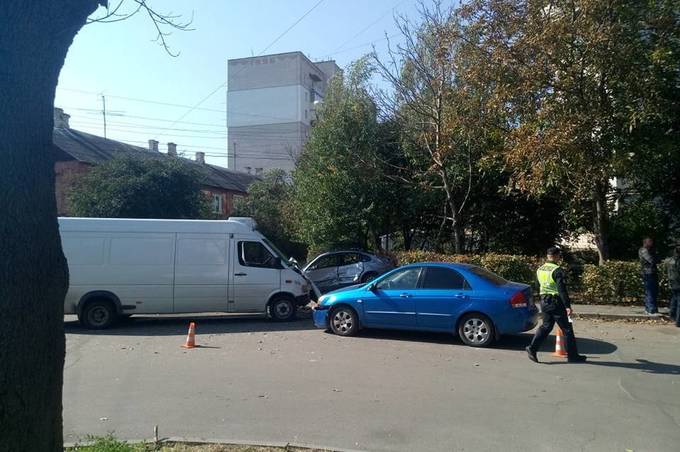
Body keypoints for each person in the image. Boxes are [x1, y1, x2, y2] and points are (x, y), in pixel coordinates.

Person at [526, 247, 587, 363]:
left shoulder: (540, 269)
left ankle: (532, 348)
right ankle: (573, 356)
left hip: (544, 301)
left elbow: (537, 286)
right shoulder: (557, 270)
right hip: (556, 302)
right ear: (555, 256)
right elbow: (561, 290)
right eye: (559, 255)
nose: (560, 257)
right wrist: (567, 306)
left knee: (546, 326)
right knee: (567, 329)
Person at [639, 237, 660, 315]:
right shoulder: (643, 250)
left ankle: (652, 308)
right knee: (650, 291)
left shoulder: (651, 250)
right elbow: (651, 260)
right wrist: (655, 257)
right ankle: (650, 309)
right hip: (647, 272)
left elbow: (658, 259)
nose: (651, 243)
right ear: (645, 242)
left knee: (654, 291)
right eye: (649, 242)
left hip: (652, 272)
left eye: (651, 241)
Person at [667, 243, 680, 327]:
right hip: (678, 282)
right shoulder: (678, 261)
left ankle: (672, 316)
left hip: (672, 281)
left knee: (674, 298)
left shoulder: (670, 260)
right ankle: (678, 321)